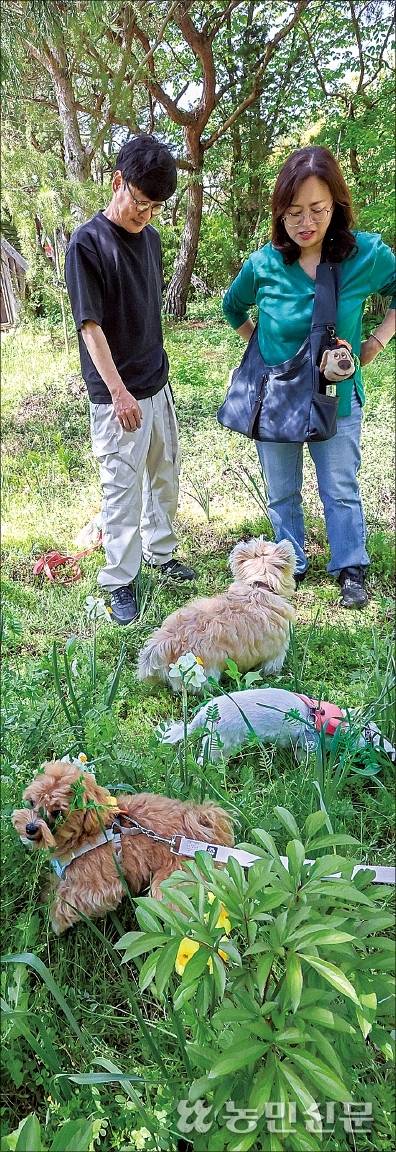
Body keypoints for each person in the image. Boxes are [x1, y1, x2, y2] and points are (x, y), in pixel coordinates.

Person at [222, 146, 395, 608]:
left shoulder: (364, 256)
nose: (305, 222)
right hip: (276, 400)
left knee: (339, 486)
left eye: (317, 209)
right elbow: (232, 306)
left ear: (336, 205)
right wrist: (260, 345)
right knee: (281, 492)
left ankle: (350, 567)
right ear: (279, 213)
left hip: (335, 399)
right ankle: (288, 564)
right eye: (293, 212)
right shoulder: (263, 265)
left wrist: (375, 342)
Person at [65, 134, 196, 625]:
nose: (146, 215)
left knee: (164, 476)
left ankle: (161, 554)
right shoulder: (88, 243)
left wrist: (156, 381)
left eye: (156, 207)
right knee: (121, 488)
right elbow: (90, 327)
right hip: (115, 394)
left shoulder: (153, 239)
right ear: (117, 181)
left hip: (157, 385)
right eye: (140, 203)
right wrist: (119, 392)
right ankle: (120, 578)